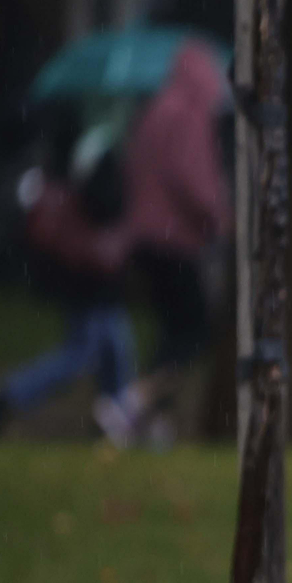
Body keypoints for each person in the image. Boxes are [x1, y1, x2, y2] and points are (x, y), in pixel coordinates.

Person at [95, 39, 232, 448]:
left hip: (145, 237)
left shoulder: (154, 110)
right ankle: (132, 402)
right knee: (193, 332)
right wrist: (220, 216)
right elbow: (192, 178)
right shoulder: (188, 114)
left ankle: (154, 426)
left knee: (172, 330)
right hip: (174, 239)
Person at [0, 112, 138, 441]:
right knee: (85, 354)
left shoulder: (74, 150)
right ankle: (9, 398)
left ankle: (115, 422)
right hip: (91, 279)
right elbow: (101, 205)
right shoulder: (95, 151)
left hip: (83, 278)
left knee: (111, 350)